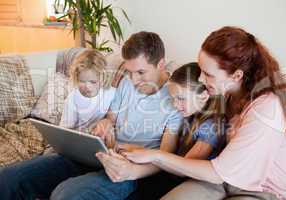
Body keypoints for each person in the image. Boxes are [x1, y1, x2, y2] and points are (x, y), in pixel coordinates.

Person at [0, 31, 182, 200]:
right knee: (9, 178)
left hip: (131, 171)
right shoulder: (127, 82)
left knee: (67, 195)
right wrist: (105, 123)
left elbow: (165, 157)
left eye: (141, 72)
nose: (133, 80)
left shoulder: (177, 97)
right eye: (130, 72)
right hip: (101, 153)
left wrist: (132, 171)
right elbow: (111, 117)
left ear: (160, 64)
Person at [125, 26, 286, 200]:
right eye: (201, 71)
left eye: (208, 74)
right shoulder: (226, 94)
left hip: (262, 190)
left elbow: (216, 172)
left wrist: (156, 155)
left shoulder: (266, 109)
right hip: (222, 181)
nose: (200, 79)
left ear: (236, 76)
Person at [123, 62, 227, 200]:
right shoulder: (189, 115)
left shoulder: (211, 126)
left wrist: (151, 155)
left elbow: (184, 168)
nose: (175, 105)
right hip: (166, 176)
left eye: (181, 98)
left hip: (181, 181)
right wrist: (133, 149)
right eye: (173, 99)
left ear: (203, 96)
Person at [59, 49, 116, 132]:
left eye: (93, 82)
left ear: (103, 78)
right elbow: (64, 130)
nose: (87, 87)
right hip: (77, 137)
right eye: (82, 81)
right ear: (76, 78)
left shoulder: (111, 93)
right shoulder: (73, 98)